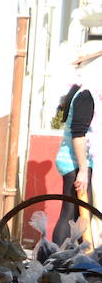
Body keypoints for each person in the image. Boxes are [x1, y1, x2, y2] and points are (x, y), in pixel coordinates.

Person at [52, 49, 102, 245]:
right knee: (71, 213)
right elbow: (78, 134)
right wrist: (82, 170)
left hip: (73, 160)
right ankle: (55, 261)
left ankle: (65, 260)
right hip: (75, 162)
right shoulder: (86, 95)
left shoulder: (80, 90)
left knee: (75, 213)